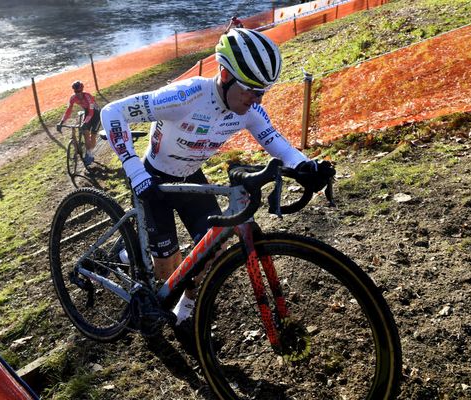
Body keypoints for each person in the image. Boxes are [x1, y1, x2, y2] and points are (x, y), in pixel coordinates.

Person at [100, 28, 335, 330]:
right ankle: (126, 252)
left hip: (191, 178)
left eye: (262, 91)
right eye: (251, 90)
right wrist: (134, 169)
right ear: (224, 75)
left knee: (211, 253)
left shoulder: (248, 108)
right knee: (166, 270)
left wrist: (305, 165)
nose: (256, 99)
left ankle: (184, 310)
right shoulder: (185, 95)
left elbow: (274, 141)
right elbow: (112, 111)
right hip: (154, 178)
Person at [56, 81, 101, 166]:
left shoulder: (88, 96)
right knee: (85, 133)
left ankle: (90, 149)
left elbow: (91, 112)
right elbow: (68, 110)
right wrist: (61, 122)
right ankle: (89, 153)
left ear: (82, 90)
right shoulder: (73, 98)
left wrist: (85, 122)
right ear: (74, 91)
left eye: (80, 91)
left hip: (96, 114)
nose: (78, 94)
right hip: (87, 112)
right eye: (76, 92)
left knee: (93, 135)